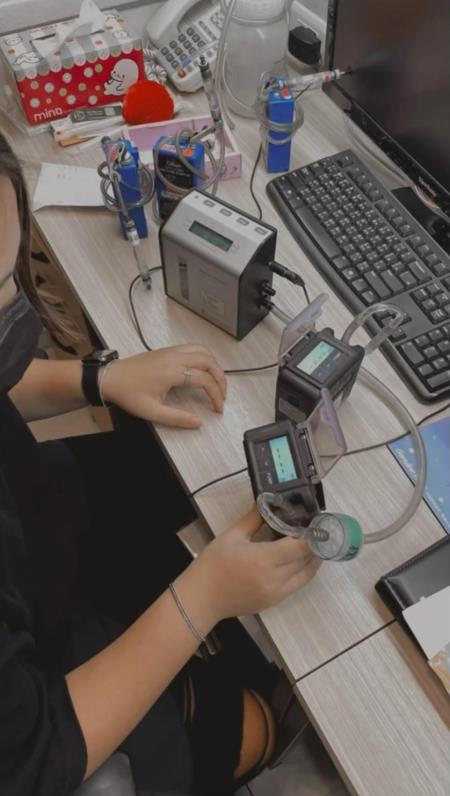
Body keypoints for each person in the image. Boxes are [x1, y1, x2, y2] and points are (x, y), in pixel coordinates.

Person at [0, 131, 320, 796]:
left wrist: (96, 379)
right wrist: (204, 597)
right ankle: (246, 717)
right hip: (50, 689)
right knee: (248, 726)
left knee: (156, 466)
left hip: (38, 516)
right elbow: (32, 757)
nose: (12, 304)